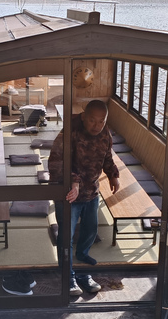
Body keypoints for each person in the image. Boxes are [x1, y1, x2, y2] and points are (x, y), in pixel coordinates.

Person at [48, 99, 119, 296]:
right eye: (92, 121)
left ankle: (82, 254)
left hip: (91, 191)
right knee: (66, 235)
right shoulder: (70, 131)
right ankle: (68, 275)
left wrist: (113, 174)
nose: (96, 126)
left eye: (101, 122)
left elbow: (107, 157)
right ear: (83, 116)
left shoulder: (104, 133)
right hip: (68, 194)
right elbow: (56, 161)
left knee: (90, 229)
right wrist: (74, 181)